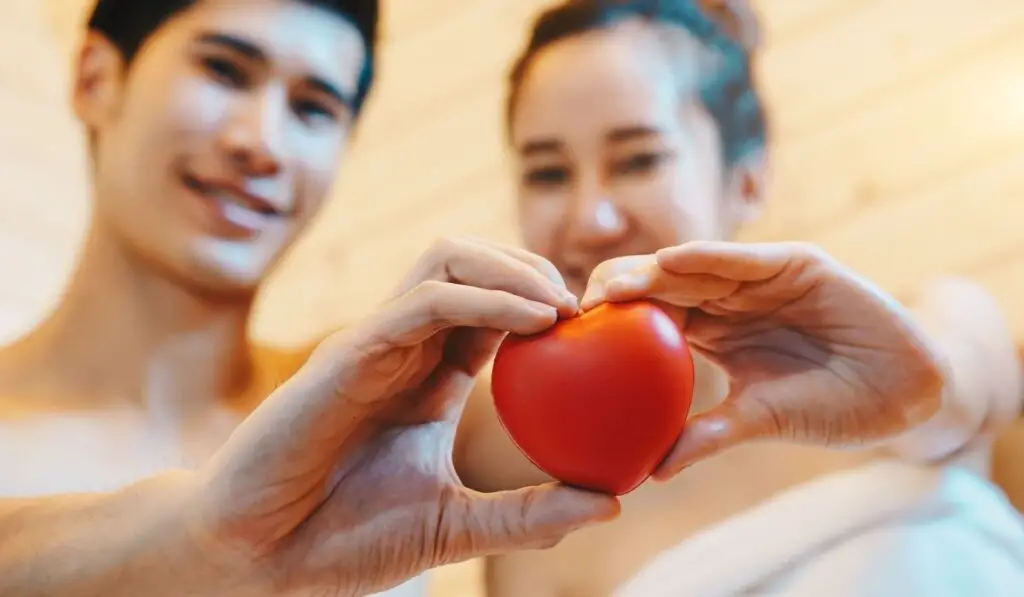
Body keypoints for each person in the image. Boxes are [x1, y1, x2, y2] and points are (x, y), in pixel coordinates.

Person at [0, 0, 958, 594]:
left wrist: (948, 365)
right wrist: (212, 539)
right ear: (94, 74)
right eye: (223, 68)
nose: (263, 140)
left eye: (315, 108)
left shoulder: (401, 402)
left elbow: (668, 397)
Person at [452, 1, 1024, 595]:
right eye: (548, 173)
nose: (589, 219)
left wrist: (917, 394)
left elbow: (956, 386)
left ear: (746, 181)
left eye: (639, 159)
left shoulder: (923, 332)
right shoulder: (492, 445)